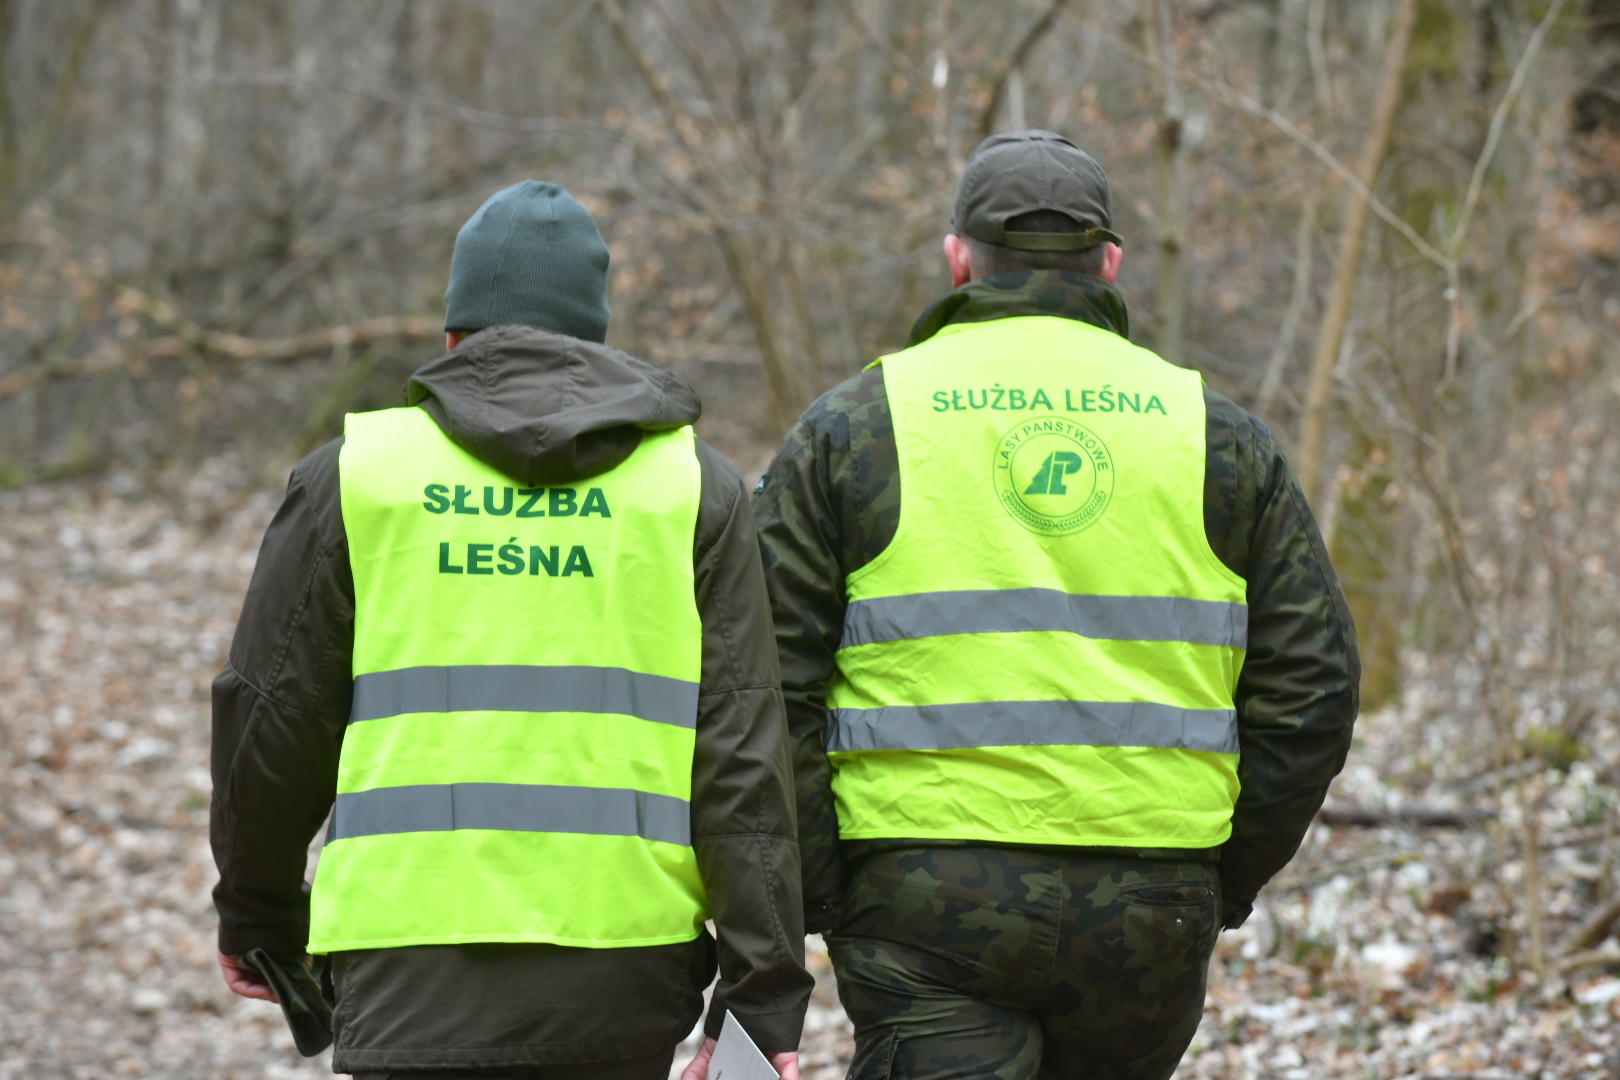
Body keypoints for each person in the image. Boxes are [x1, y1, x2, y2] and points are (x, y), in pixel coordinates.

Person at [753, 131, 1359, 1080]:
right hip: (1152, 898)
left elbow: (761, 679)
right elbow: (1315, 689)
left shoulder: (856, 425)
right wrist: (1216, 875)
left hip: (921, 892)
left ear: (958, 258)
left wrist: (830, 885)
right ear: (1109, 262)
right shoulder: (1216, 435)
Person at [211, 180, 811, 1080]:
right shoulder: (691, 489)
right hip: (622, 975)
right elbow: (743, 754)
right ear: (593, 341)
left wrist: (258, 915)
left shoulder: (357, 478)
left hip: (407, 963)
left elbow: (269, 718)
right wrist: (761, 995)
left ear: (453, 336)